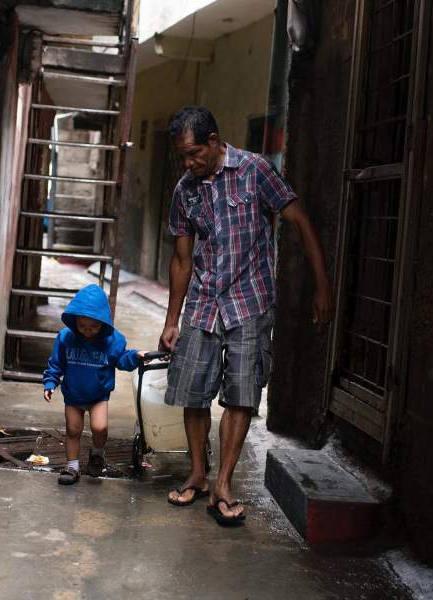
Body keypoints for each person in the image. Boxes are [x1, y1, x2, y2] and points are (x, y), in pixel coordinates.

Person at [159, 106, 332, 526]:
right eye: (183, 155)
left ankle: (223, 484)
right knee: (193, 392)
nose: (189, 162)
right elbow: (182, 259)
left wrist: (322, 285)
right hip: (202, 302)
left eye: (195, 152)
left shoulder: (255, 171)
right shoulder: (186, 189)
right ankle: (198, 474)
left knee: (241, 394)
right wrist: (171, 319)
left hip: (249, 302)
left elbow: (300, 221)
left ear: (215, 141)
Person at [43, 284, 146, 485]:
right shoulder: (66, 338)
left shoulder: (112, 341)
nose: (88, 332)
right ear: (75, 321)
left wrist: (135, 356)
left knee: (100, 428)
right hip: (73, 395)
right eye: (82, 326)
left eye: (93, 327)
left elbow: (122, 360)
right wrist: (50, 382)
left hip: (98, 396)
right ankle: (72, 467)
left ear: (103, 323)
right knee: (73, 430)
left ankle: (97, 453)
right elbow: (56, 363)